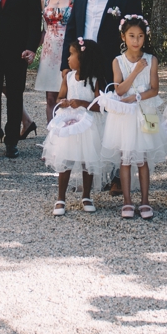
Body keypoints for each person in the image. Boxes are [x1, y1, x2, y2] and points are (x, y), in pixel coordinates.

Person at [101, 13, 161, 220]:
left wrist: (136, 96)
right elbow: (119, 91)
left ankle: (145, 201)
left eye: (141, 36)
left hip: (144, 111)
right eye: (132, 36)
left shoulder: (151, 60)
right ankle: (127, 201)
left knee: (142, 159)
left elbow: (154, 89)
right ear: (123, 37)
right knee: (125, 159)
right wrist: (135, 72)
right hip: (125, 117)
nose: (136, 41)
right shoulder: (118, 61)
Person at [44, 36, 106, 214]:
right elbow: (59, 97)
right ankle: (60, 198)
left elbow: (99, 104)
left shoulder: (94, 79)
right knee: (66, 159)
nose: (68, 58)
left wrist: (82, 103)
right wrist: (63, 102)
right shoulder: (68, 77)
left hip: (88, 125)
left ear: (83, 58)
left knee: (88, 160)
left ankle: (86, 195)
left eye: (71, 55)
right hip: (69, 123)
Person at [0, 0, 42, 155]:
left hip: (17, 51)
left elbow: (34, 19)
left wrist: (31, 48)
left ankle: (11, 141)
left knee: (14, 96)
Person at [37, 0, 74, 121]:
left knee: (70, 95)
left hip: (69, 49)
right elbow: (42, 28)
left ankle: (69, 136)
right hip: (49, 52)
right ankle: (52, 138)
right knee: (51, 98)